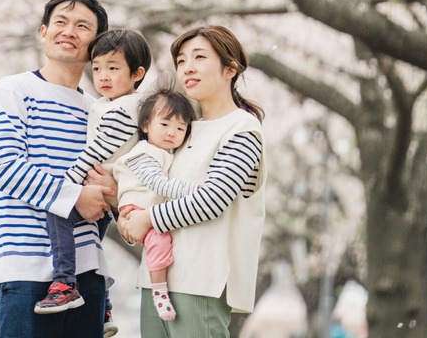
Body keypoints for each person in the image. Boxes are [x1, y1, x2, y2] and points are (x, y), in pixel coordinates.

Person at [0, 0, 117, 338]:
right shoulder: (13, 90)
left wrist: (112, 194)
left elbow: (115, 179)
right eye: (61, 22)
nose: (69, 31)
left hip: (87, 273)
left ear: (96, 44)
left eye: (82, 26)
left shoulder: (98, 111)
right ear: (43, 32)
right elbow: (1, 166)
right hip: (23, 268)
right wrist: (74, 197)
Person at [118, 25, 266, 338]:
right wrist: (128, 215)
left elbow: (212, 201)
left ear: (230, 68)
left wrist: (147, 219)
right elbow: (148, 184)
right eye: (182, 60)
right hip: (154, 280)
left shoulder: (241, 129)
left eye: (199, 57)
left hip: (201, 282)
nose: (188, 67)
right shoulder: (179, 130)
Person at [35, 29, 154, 335]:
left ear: (137, 73)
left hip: (115, 188)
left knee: (58, 212)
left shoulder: (126, 108)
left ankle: (64, 283)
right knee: (91, 242)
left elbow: (97, 148)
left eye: (113, 68)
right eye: (97, 67)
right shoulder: (108, 103)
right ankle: (103, 307)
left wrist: (68, 183)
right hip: (112, 189)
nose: (103, 76)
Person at [111, 88, 199, 323]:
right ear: (146, 125)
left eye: (180, 128)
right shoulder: (144, 153)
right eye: (165, 124)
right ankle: (160, 292)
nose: (172, 133)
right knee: (160, 241)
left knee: (159, 242)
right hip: (139, 208)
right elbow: (157, 184)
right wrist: (193, 191)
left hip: (145, 209)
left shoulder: (162, 153)